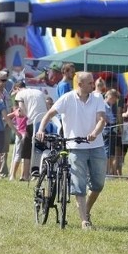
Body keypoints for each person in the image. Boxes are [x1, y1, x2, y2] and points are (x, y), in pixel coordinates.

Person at [36, 72, 107, 230]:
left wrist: (94, 133)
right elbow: (49, 114)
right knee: (78, 185)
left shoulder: (97, 97)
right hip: (75, 148)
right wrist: (41, 129)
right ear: (80, 85)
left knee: (98, 184)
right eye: (89, 82)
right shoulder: (67, 98)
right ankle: (84, 221)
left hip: (96, 146)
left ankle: (86, 210)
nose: (93, 84)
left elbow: (102, 119)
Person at [14, 82, 48, 180]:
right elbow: (46, 107)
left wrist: (22, 114)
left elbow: (22, 110)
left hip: (32, 122)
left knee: (27, 150)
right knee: (42, 149)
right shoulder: (38, 92)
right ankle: (41, 174)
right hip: (44, 122)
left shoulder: (19, 94)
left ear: (17, 88)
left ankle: (25, 176)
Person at [7, 105, 27, 181]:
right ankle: (22, 175)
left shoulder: (16, 111)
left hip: (19, 134)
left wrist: (14, 126)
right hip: (26, 134)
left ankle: (13, 175)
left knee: (17, 154)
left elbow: (6, 117)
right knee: (25, 156)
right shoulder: (27, 111)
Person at [103, 89, 120, 175]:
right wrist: (110, 122)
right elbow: (103, 117)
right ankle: (106, 172)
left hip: (111, 129)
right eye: (114, 99)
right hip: (107, 129)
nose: (114, 101)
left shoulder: (108, 106)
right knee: (107, 152)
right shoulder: (104, 105)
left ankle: (109, 171)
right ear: (110, 96)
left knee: (110, 152)